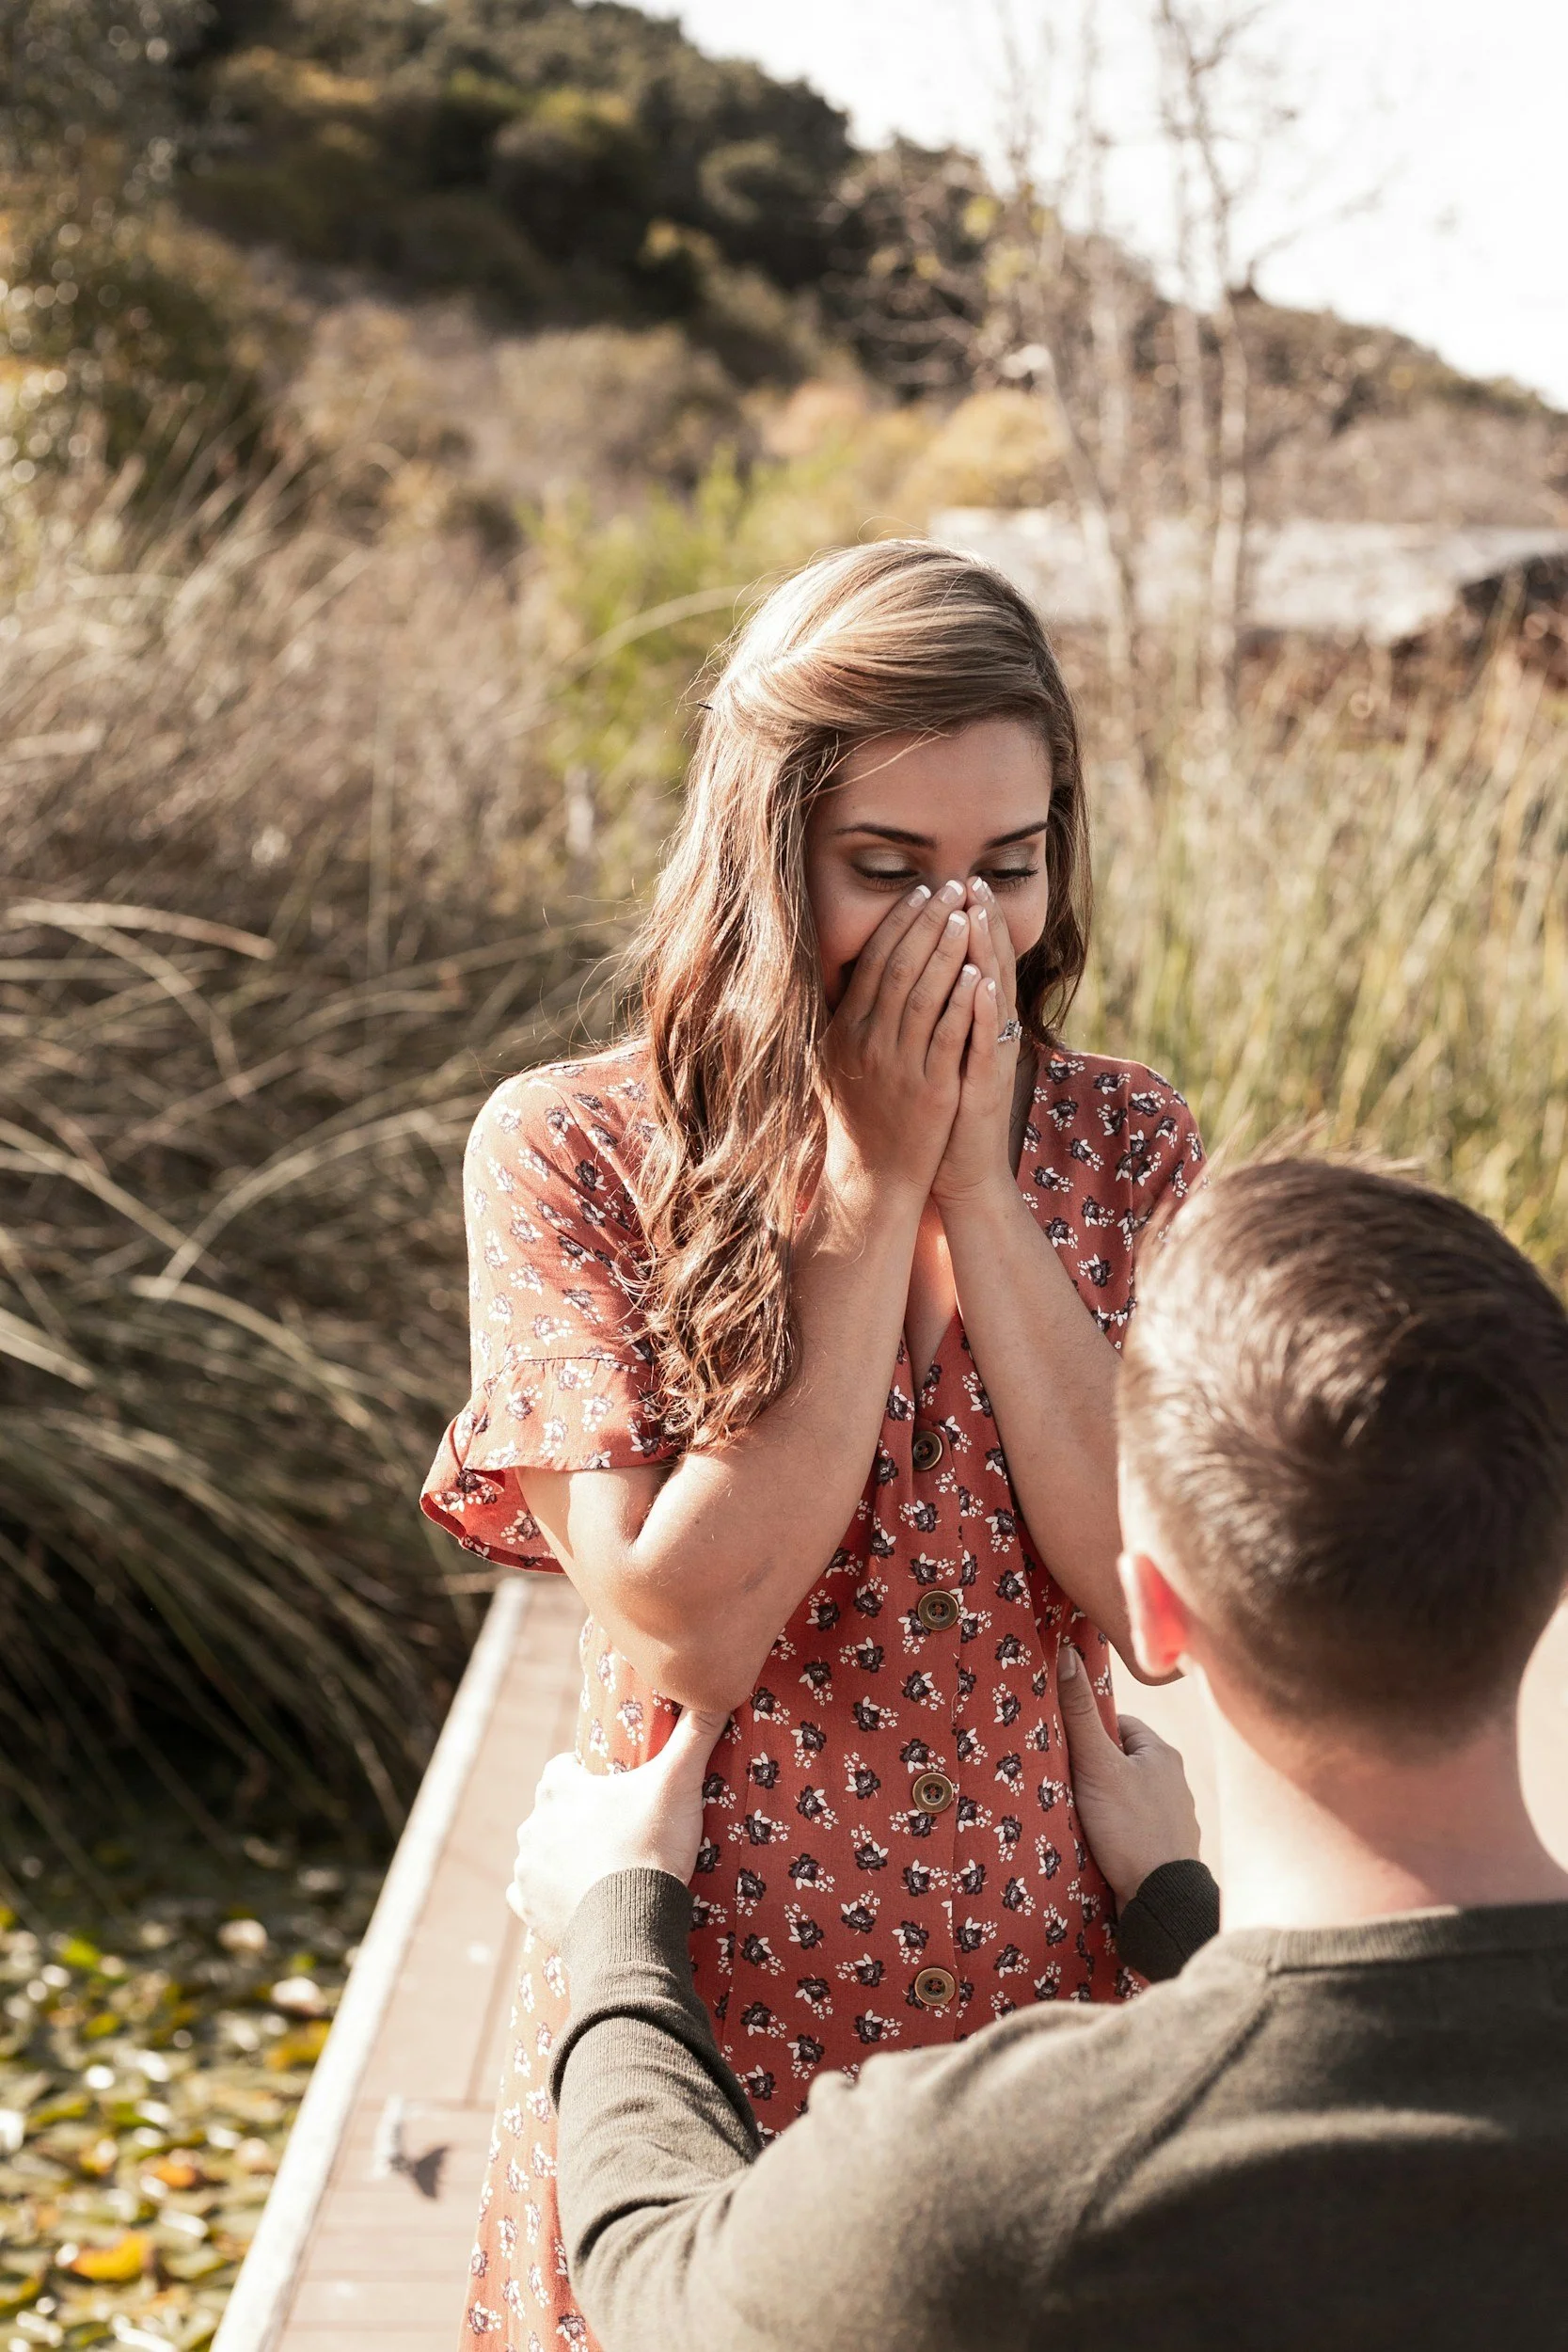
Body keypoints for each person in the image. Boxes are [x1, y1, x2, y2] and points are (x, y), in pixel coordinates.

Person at [420, 540, 1203, 2345]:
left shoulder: (1123, 1147)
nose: (958, 930)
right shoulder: (572, 1155)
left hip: (1033, 2009)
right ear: (768, 859)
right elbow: (681, 1621)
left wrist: (982, 1198)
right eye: (887, 870)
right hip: (680, 1992)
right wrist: (861, 1189)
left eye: (1005, 869)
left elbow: (1146, 1596)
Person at [509, 1157, 1568, 2351]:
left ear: (1151, 1606)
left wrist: (619, 1937)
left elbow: (659, 2281)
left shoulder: (980, 2182)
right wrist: (1178, 1912)